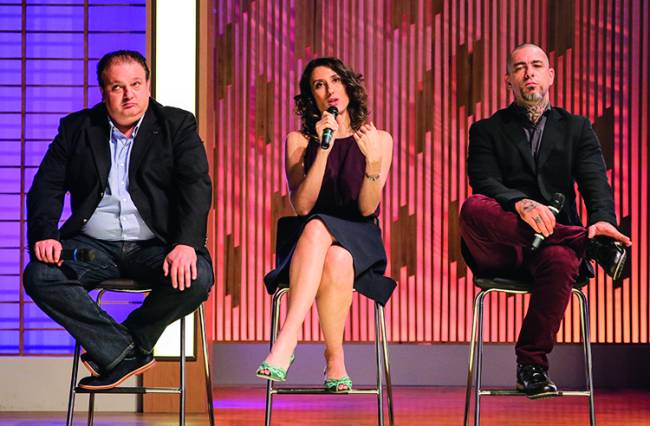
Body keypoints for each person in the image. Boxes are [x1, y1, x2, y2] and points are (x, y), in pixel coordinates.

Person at [23, 50, 214, 390]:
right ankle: (126, 351)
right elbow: (45, 187)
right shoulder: (78, 128)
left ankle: (122, 347)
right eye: (117, 87)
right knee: (40, 275)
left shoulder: (176, 125)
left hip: (157, 246)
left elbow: (195, 188)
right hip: (93, 247)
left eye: (136, 84)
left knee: (196, 277)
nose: (128, 95)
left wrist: (186, 243)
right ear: (103, 91)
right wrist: (45, 233)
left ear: (148, 86)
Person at [460, 43, 631, 398]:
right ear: (509, 79)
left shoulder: (577, 128)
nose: (529, 73)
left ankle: (531, 366)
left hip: (548, 254)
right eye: (519, 67)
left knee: (561, 258)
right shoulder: (486, 129)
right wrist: (521, 203)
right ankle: (586, 241)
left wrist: (602, 220)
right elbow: (484, 180)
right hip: (503, 245)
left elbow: (595, 181)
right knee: (472, 206)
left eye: (536, 65)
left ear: (550, 76)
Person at [256, 57, 396, 392]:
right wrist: (323, 149)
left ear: (348, 86)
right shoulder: (299, 141)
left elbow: (367, 207)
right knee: (332, 251)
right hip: (310, 244)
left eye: (335, 81)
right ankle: (335, 359)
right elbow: (303, 205)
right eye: (319, 85)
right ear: (311, 97)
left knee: (325, 233)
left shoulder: (378, 139)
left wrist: (373, 161)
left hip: (359, 233)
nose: (330, 89)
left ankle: (287, 339)